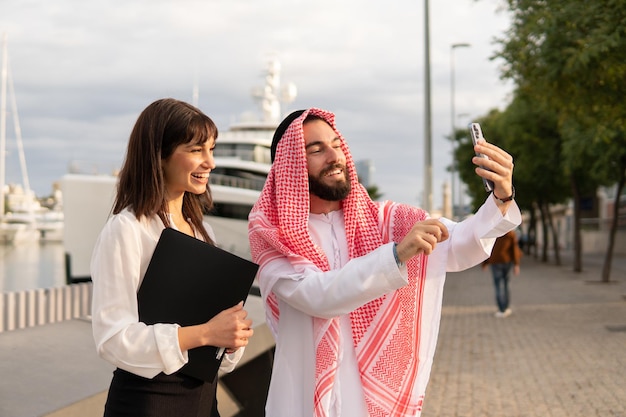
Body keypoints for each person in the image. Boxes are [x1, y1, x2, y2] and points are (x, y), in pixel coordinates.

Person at [247, 108, 522, 417]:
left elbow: (460, 243)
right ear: (289, 165)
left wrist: (501, 197)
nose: (334, 156)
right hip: (301, 405)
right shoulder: (272, 235)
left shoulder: (388, 221)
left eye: (337, 145)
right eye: (316, 149)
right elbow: (316, 295)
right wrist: (395, 255)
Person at [91, 98, 254, 417]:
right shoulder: (127, 229)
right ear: (159, 155)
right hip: (147, 403)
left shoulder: (203, 230)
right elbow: (112, 338)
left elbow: (213, 354)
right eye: (196, 150)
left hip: (204, 403)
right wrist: (207, 332)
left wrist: (231, 339)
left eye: (212, 149)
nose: (211, 162)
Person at [482, 229, 522, 318]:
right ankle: (506, 308)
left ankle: (501, 310)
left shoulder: (492, 232)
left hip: (495, 262)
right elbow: (514, 248)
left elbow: (487, 248)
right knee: (506, 285)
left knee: (498, 286)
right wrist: (516, 264)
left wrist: (485, 263)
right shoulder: (510, 232)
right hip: (506, 261)